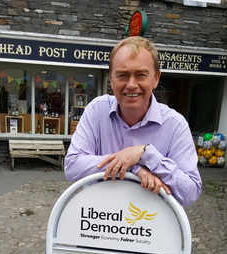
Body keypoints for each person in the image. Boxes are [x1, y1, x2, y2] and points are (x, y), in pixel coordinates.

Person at [64, 36, 202, 206]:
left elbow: (190, 193)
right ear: (112, 80)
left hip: (149, 224)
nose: (131, 84)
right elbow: (72, 166)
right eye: (122, 75)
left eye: (141, 75)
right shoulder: (96, 111)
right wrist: (134, 165)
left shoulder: (175, 125)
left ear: (156, 78)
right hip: (99, 222)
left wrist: (146, 154)